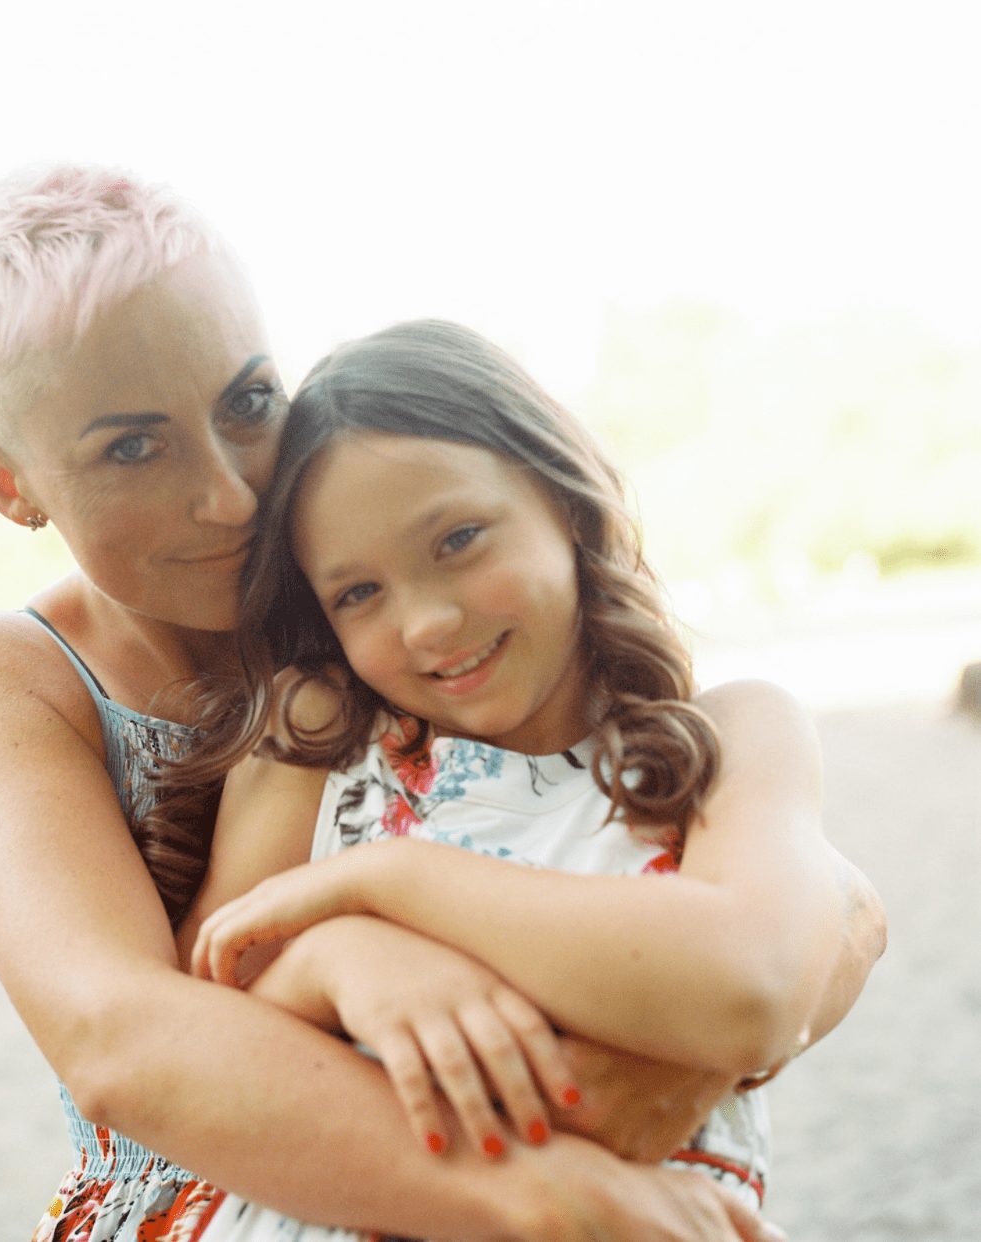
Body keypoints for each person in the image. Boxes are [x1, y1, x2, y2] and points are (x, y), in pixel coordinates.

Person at [0, 163, 883, 1242]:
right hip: (246, 1184)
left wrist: (697, 1050)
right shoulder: (20, 678)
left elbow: (779, 889)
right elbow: (124, 1036)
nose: (232, 494)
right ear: (13, 487)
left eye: (246, 402)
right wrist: (529, 1185)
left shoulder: (380, 605)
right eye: (132, 446)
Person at [171, 318, 884, 1232]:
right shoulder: (321, 743)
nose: (426, 623)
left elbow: (754, 990)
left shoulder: (732, 740)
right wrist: (337, 955)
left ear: (565, 501)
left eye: (459, 538)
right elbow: (198, 1043)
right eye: (358, 592)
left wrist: (389, 879)